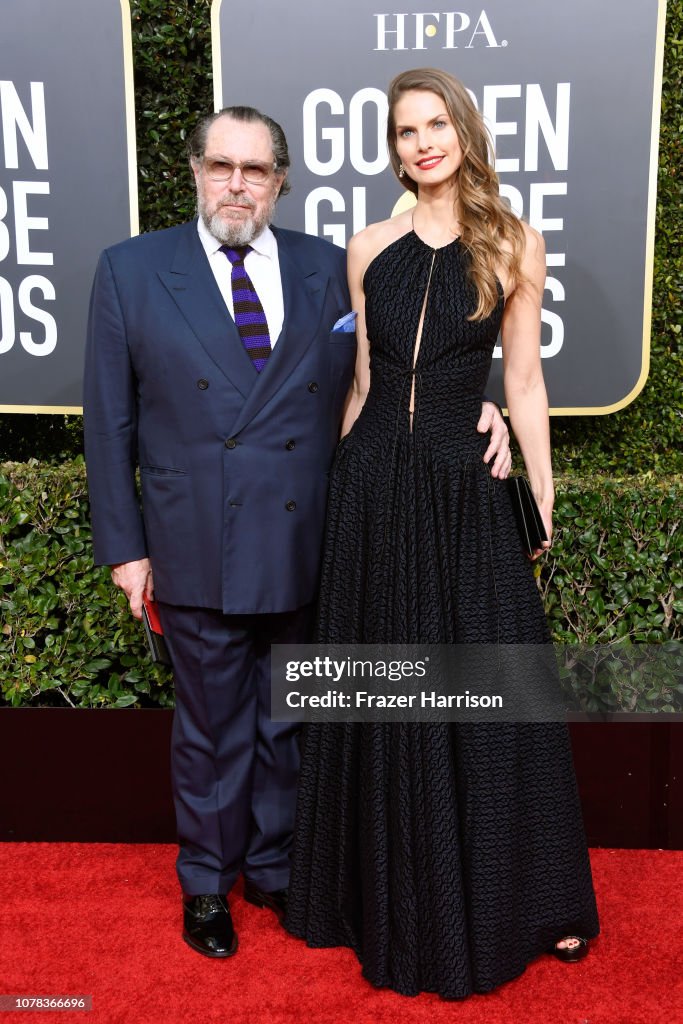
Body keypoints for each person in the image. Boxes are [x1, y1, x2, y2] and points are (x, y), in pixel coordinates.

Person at [83, 104, 511, 959]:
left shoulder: (334, 265)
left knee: (290, 718)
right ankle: (207, 881)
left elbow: (402, 364)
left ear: (280, 180)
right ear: (195, 173)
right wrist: (127, 550)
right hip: (192, 538)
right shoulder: (131, 270)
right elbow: (108, 425)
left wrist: (484, 399)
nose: (236, 184)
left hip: (312, 538)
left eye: (255, 169)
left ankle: (277, 869)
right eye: (220, 166)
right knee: (210, 726)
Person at [285, 68, 600, 998]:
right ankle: (371, 902)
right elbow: (364, 386)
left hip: (463, 493)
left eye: (434, 125)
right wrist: (338, 496)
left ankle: (529, 902)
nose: (420, 143)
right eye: (403, 132)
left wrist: (538, 498)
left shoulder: (510, 243)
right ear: (391, 149)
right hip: (372, 488)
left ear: (462, 131)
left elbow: (526, 388)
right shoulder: (368, 245)